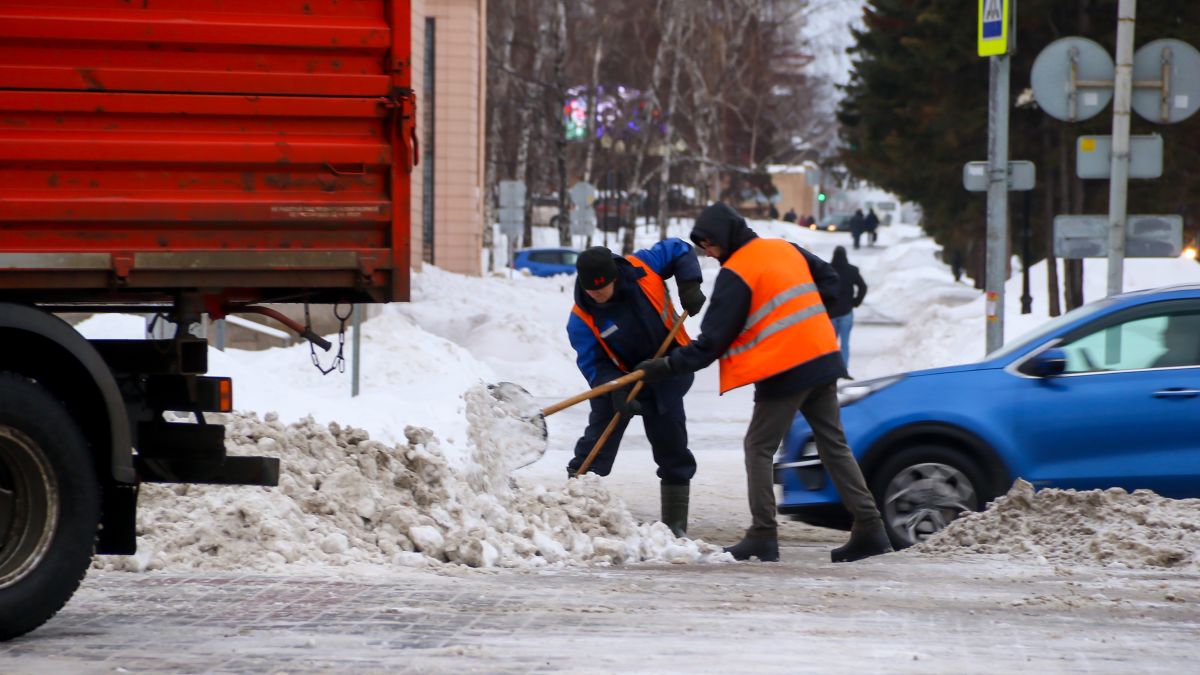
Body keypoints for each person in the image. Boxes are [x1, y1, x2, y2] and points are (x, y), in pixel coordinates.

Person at [635, 203, 892, 563]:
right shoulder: (783, 248)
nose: (708, 254)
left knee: (758, 446)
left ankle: (762, 533)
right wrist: (810, 323)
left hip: (787, 367)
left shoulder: (738, 272)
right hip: (821, 355)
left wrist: (666, 366)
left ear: (723, 237)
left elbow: (711, 342)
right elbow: (832, 285)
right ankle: (870, 527)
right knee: (834, 444)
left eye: (709, 245)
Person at [567, 242, 706, 537]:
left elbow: (680, 250)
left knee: (672, 447)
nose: (596, 296)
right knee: (595, 448)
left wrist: (689, 285)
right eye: (590, 291)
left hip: (667, 369)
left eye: (602, 289)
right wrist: (614, 388)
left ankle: (675, 527)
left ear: (614, 277)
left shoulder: (643, 268)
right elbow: (594, 364)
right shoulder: (581, 319)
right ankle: (574, 515)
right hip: (622, 381)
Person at [828, 246, 867, 372]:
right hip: (846, 312)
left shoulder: (828, 269)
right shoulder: (852, 270)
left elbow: (819, 287)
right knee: (845, 343)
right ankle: (843, 368)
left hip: (831, 313)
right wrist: (856, 302)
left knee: (830, 343)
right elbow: (863, 287)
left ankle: (831, 368)